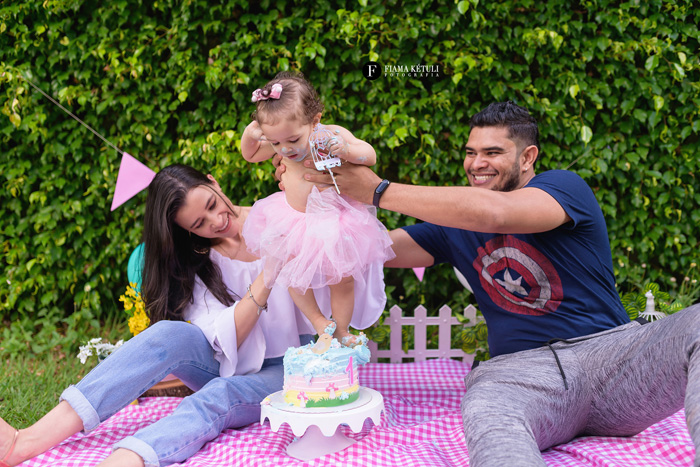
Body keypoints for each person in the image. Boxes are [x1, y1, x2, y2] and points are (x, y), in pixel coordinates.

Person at [302, 101, 700, 466]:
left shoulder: (564, 187)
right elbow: (370, 248)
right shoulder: (451, 227)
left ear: (528, 157)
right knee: (487, 409)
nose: (477, 163)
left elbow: (496, 214)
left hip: (612, 359)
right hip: (517, 377)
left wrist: (377, 190)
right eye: (470, 152)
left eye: (492, 153)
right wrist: (280, 216)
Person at [0, 164, 315, 467]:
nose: (215, 221)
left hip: (290, 363)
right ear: (185, 230)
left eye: (211, 204)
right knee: (168, 334)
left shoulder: (277, 215)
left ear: (213, 182)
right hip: (229, 360)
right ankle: (25, 441)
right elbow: (222, 337)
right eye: (198, 224)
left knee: (220, 394)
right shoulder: (196, 262)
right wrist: (266, 278)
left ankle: (128, 459)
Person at [240, 71, 394, 346]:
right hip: (294, 220)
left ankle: (343, 329)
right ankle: (318, 320)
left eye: (293, 140)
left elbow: (369, 155)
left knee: (343, 279)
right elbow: (250, 154)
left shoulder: (330, 135)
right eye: (276, 143)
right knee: (294, 276)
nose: (284, 150)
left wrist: (345, 149)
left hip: (335, 220)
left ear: (315, 120)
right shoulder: (281, 141)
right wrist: (250, 134)